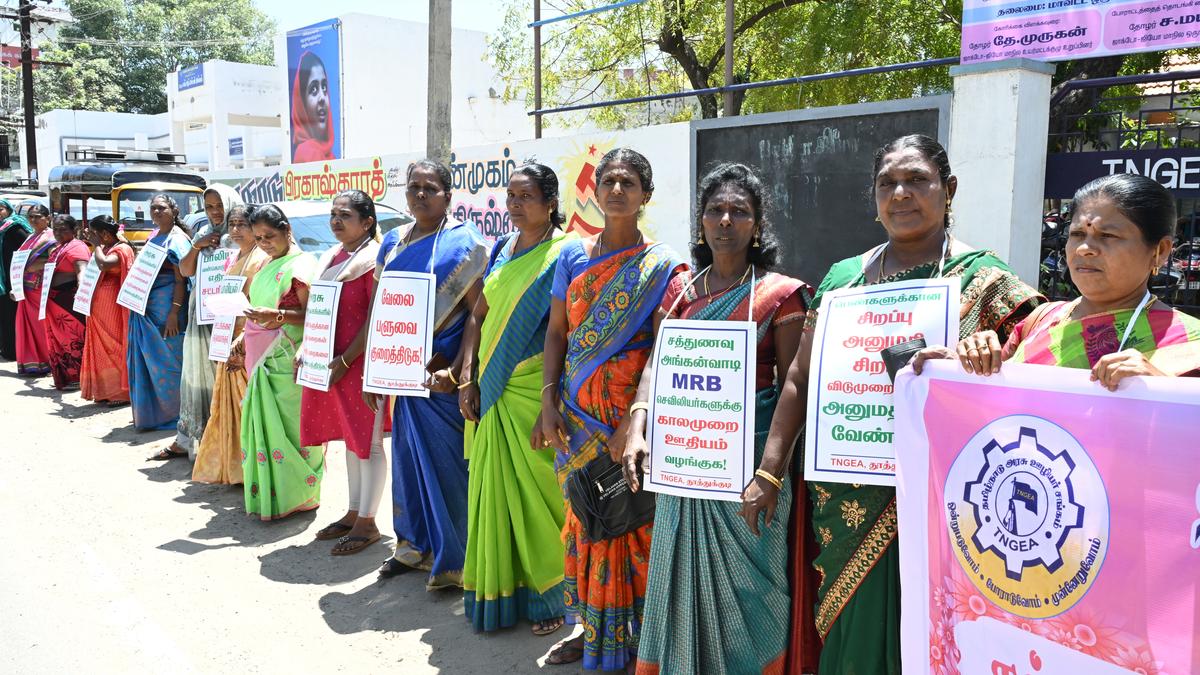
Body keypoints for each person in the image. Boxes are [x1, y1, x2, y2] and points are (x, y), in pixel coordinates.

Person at [742, 135, 1041, 675]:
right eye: (887, 183)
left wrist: (991, 355)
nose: (901, 194)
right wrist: (768, 471)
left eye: (917, 180)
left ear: (948, 190)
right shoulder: (843, 279)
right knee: (848, 638)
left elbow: (1036, 369)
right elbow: (800, 377)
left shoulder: (983, 280)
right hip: (844, 496)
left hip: (940, 505)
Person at [620, 163, 811, 674]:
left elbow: (796, 383)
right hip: (686, 462)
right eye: (715, 210)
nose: (725, 220)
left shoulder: (781, 294)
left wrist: (769, 474)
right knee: (680, 577)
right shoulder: (681, 291)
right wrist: (639, 424)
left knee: (756, 587)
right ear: (701, 221)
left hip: (751, 468)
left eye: (739, 212)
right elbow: (658, 365)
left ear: (757, 224)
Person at [538, 148, 687, 671]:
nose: (617, 189)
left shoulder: (665, 266)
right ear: (595, 192)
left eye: (628, 182)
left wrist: (634, 420)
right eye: (608, 181)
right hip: (576, 420)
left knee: (635, 523)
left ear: (646, 195)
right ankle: (590, 632)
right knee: (584, 520)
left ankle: (644, 642)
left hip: (635, 422)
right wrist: (547, 402)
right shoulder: (572, 257)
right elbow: (557, 333)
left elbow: (666, 347)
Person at [914, 172, 1200, 381]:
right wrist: (955, 367)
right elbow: (994, 402)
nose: (1085, 249)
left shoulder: (1189, 344)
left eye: (1108, 236)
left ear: (1160, 251)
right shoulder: (1039, 321)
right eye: (1077, 234)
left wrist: (1164, 392)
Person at [457, 164, 572, 633]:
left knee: (541, 495)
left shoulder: (566, 253)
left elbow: (565, 331)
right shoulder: (503, 250)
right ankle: (506, 592)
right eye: (511, 197)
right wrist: (467, 374)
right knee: (495, 493)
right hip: (489, 386)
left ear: (550, 202)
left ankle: (553, 598)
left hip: (531, 389)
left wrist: (552, 396)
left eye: (526, 196)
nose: (515, 205)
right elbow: (478, 314)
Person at [369, 159, 488, 589]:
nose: (421, 195)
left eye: (430, 188)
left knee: (448, 469)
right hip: (402, 376)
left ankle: (456, 559)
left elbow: (478, 312)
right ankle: (413, 546)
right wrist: (373, 374)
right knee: (408, 461)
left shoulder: (465, 242)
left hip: (441, 379)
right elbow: (382, 311)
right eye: (414, 187)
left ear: (448, 195)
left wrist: (459, 372)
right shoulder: (392, 243)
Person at [302, 190, 391, 553]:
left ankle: (369, 522)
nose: (336, 221)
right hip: (334, 362)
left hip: (362, 363)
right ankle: (354, 511)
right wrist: (310, 349)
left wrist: (346, 360)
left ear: (367, 222)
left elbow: (375, 318)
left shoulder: (375, 259)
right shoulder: (333, 256)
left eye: (345, 215)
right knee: (350, 444)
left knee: (368, 444)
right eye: (333, 215)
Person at [240, 204, 321, 520]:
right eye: (258, 238)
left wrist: (278, 316)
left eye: (270, 236)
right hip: (259, 357)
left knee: (291, 428)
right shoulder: (264, 264)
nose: (264, 243)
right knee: (264, 427)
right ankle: (272, 496)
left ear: (287, 229)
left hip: (287, 359)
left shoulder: (301, 267)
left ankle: (301, 494)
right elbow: (256, 309)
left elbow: (314, 316)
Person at [192, 204, 269, 484]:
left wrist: (241, 337)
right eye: (232, 224)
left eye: (242, 225)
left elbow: (261, 303)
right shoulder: (235, 256)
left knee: (248, 408)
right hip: (228, 337)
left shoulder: (260, 258)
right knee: (232, 409)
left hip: (248, 340)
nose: (235, 230)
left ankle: (257, 469)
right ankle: (239, 467)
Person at [176, 184, 245, 459]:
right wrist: (197, 245)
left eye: (219, 206)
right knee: (199, 375)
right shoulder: (204, 233)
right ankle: (202, 440)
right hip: (202, 317)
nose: (215, 212)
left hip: (231, 320)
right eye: (209, 207)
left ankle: (228, 445)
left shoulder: (241, 234)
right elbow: (185, 269)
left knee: (226, 379)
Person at [134, 195, 192, 441]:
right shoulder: (153, 236)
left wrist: (173, 314)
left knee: (171, 363)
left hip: (168, 309)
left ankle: (176, 414)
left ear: (174, 210)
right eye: (153, 208)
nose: (156, 211)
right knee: (152, 362)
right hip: (147, 310)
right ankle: (156, 414)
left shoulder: (178, 240)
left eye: (162, 207)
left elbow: (182, 279)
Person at [80, 215, 134, 406]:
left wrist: (95, 245)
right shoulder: (106, 248)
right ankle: (104, 390)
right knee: (101, 348)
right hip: (98, 308)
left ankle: (119, 392)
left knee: (114, 346)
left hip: (113, 308)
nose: (92, 237)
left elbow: (103, 264)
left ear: (103, 233)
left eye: (94, 233)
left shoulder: (121, 249)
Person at [42, 215, 89, 390]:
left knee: (73, 340)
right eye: (55, 229)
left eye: (63, 229)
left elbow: (81, 270)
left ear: (74, 230)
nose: (58, 233)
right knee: (59, 341)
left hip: (68, 302)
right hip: (55, 302)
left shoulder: (77, 247)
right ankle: (66, 377)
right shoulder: (59, 248)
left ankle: (78, 377)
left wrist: (81, 289)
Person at [11, 204, 54, 375]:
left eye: (38, 216)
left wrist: (36, 266)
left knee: (41, 326)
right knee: (27, 326)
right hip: (25, 288)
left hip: (40, 288)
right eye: (31, 217)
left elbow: (54, 258)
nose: (34, 220)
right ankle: (34, 363)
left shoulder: (51, 236)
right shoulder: (31, 236)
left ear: (47, 218)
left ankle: (50, 362)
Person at [0, 199, 33, 360]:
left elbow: (29, 247)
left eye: (0, 209)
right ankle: (6, 348)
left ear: (8, 209)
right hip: (3, 279)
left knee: (10, 315)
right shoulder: (2, 228)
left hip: (12, 280)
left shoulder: (14, 226)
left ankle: (12, 351)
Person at [291, 51, 335, 162]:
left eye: (324, 87)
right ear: (302, 103)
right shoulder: (308, 152)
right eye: (314, 89)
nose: (322, 98)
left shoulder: (327, 154)